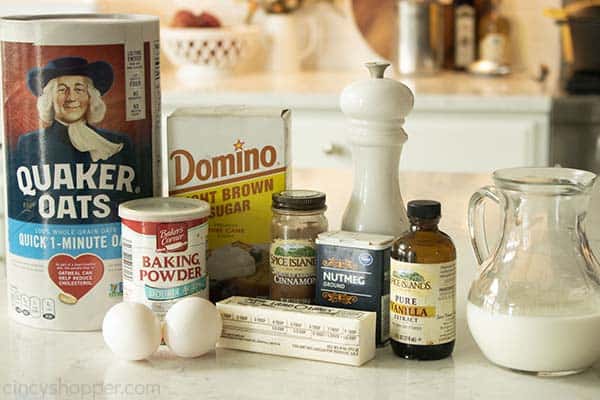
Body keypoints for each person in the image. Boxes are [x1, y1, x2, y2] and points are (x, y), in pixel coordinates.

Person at [9, 57, 139, 223]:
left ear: (90, 97)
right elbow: (20, 205)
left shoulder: (118, 143)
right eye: (62, 90)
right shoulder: (29, 143)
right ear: (50, 99)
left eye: (79, 89)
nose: (71, 97)